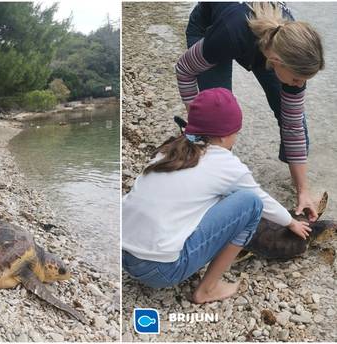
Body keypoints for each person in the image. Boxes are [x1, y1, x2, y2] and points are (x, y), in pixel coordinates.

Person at [122, 88, 311, 303]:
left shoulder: (169, 150)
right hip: (161, 271)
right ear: (226, 134)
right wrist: (291, 223)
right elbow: (262, 200)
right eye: (236, 131)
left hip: (125, 256)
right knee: (250, 203)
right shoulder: (226, 163)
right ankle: (207, 289)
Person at [175, 2, 324, 222]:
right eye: (296, 79)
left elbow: (292, 124)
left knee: (293, 117)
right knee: (217, 121)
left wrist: (304, 190)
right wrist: (198, 118)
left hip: (256, 39)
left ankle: (296, 186)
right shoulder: (228, 34)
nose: (298, 84)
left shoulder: (293, 44)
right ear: (274, 62)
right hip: (212, 27)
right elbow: (184, 69)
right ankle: (211, 183)